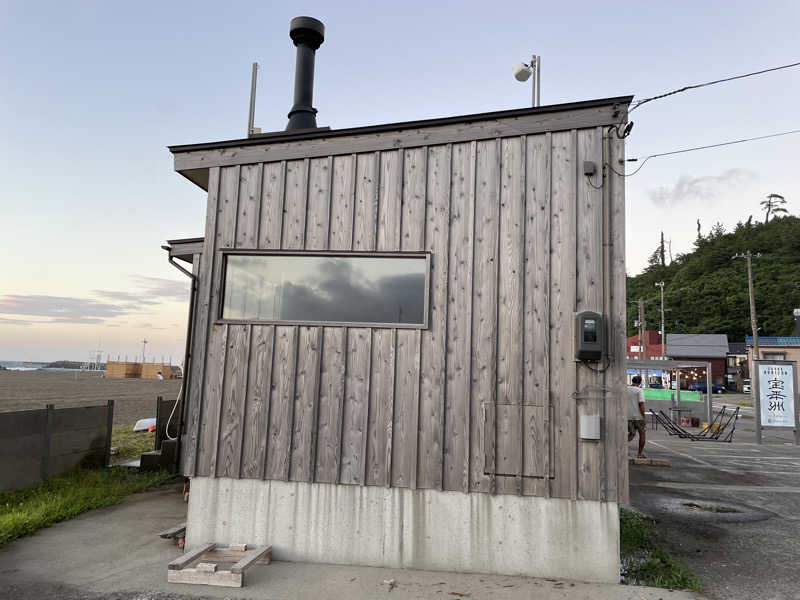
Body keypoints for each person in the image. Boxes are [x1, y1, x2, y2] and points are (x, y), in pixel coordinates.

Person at [627, 375, 646, 458]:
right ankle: (639, 454)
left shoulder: (626, 389)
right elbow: (641, 403)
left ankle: (624, 450)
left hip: (628, 416)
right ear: (640, 382)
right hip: (638, 417)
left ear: (632, 381)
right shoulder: (639, 390)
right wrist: (643, 416)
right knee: (642, 434)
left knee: (631, 434)